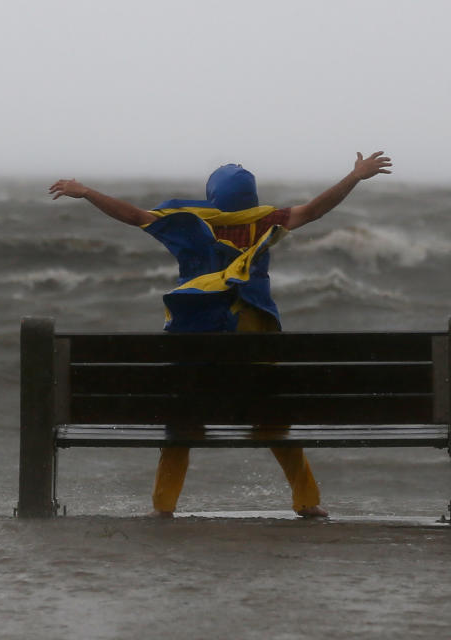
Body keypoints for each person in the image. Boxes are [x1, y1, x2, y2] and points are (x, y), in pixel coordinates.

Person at [49, 152, 393, 518]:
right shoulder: (267, 222)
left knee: (182, 421)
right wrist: (355, 176)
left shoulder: (188, 223)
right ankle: (307, 501)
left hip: (193, 340)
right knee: (274, 416)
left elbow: (133, 216)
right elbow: (316, 209)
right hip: (255, 337)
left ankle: (163, 506)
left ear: (212, 195)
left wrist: (85, 192)